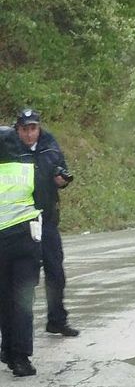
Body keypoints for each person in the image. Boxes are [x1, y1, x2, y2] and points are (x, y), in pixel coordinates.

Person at [15, 109, 79, 337]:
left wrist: (61, 180)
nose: (29, 134)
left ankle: (57, 320)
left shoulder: (50, 145)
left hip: (47, 219)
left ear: (38, 127)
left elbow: (60, 171)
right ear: (18, 129)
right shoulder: (10, 149)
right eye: (25, 129)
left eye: (33, 128)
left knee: (55, 272)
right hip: (20, 222)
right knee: (25, 277)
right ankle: (19, 330)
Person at [0, 126, 41, 376]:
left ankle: (7, 349)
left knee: (4, 299)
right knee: (23, 300)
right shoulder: (29, 170)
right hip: (25, 241)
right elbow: (44, 201)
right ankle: (21, 359)